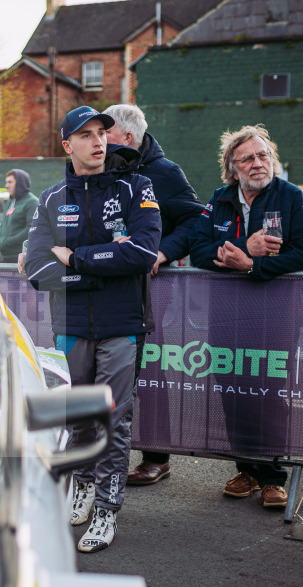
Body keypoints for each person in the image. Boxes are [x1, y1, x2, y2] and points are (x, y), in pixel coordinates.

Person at [26, 106, 161, 552]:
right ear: (67, 145)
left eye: (101, 132)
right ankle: (82, 485)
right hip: (69, 324)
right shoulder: (50, 199)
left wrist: (77, 258)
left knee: (114, 419)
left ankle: (107, 510)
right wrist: (102, 262)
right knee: (77, 416)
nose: (98, 141)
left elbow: (141, 253)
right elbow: (39, 270)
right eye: (85, 135)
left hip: (122, 323)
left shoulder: (136, 186)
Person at [188, 124, 303, 508]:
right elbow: (198, 250)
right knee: (234, 393)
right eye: (249, 158)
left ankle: (273, 476)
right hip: (227, 315)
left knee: (270, 394)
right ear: (232, 167)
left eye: (264, 156)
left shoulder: (292, 196)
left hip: (277, 314)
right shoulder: (219, 199)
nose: (259, 163)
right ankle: (245, 469)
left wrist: (251, 266)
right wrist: (244, 249)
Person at [102, 104, 204, 486]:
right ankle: (105, 453)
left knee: (151, 375)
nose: (98, 139)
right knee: (111, 372)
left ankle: (157, 458)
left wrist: (162, 251)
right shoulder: (103, 169)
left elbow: (197, 219)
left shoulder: (164, 172)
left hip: (154, 292)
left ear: (126, 137)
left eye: (105, 132)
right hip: (109, 287)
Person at [0, 170, 38, 263]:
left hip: (20, 258)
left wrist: (6, 241)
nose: (6, 186)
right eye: (6, 182)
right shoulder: (10, 201)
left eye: (10, 182)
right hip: (5, 256)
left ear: (20, 184)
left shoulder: (32, 202)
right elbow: (3, 224)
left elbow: (31, 230)